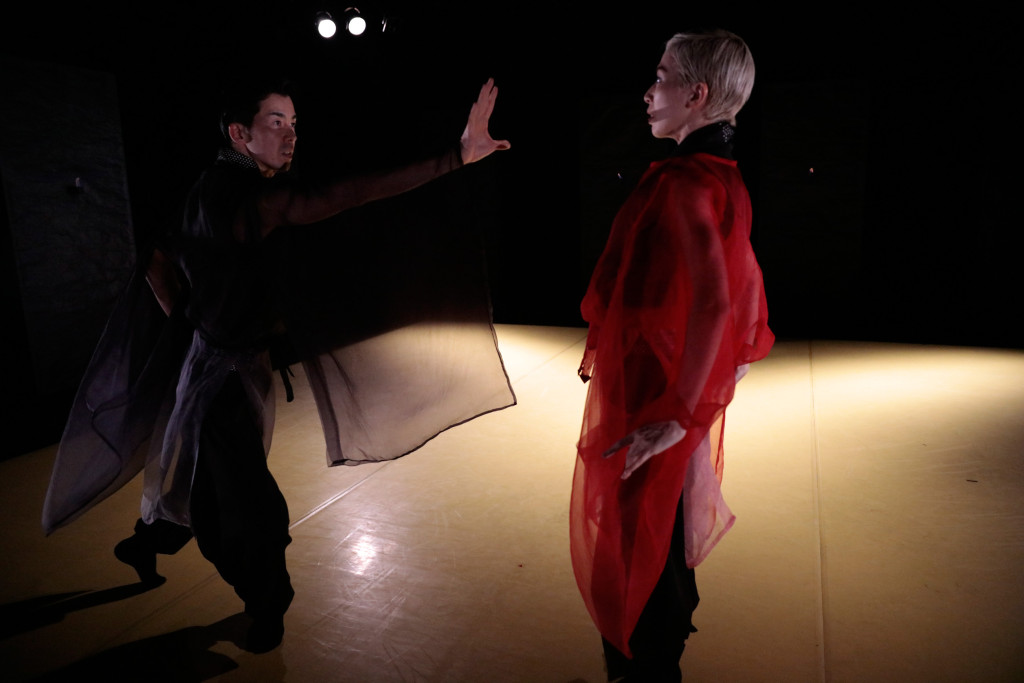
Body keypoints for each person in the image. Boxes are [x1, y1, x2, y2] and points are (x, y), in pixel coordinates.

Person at [42, 77, 515, 653]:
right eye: (275, 122)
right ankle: (268, 605)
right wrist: (455, 156)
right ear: (239, 133)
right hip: (221, 379)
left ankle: (145, 544)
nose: (290, 135)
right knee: (245, 503)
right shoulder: (251, 200)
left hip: (218, 364)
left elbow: (160, 260)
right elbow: (347, 194)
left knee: (200, 476)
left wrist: (194, 328)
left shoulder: (210, 185)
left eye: (294, 123)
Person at [571, 30, 774, 681]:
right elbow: (743, 293)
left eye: (661, 77)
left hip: (656, 397)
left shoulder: (687, 182)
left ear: (697, 94)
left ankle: (644, 666)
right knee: (660, 528)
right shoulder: (719, 176)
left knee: (642, 539)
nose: (648, 92)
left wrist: (679, 413)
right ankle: (652, 658)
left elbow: (717, 301)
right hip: (663, 388)